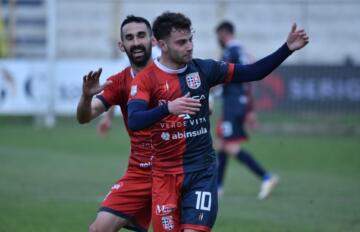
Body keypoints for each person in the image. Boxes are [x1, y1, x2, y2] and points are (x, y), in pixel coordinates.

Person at [127, 11, 308, 232]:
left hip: (202, 173)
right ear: (162, 45)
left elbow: (255, 72)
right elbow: (135, 120)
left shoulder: (205, 69)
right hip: (165, 177)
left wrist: (287, 48)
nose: (189, 46)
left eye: (190, 39)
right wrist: (168, 108)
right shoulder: (146, 79)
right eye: (181, 42)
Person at [77, 15, 155, 232]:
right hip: (139, 172)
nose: (136, 42)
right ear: (122, 45)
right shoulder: (120, 81)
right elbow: (85, 117)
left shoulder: (170, 72)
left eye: (141, 35)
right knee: (97, 230)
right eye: (129, 38)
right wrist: (85, 96)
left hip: (174, 170)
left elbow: (206, 106)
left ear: (153, 40)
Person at [214, 20, 278, 200]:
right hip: (237, 102)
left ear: (224, 33)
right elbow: (248, 80)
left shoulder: (230, 51)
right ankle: (217, 187)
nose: (217, 39)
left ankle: (266, 177)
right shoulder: (242, 50)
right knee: (220, 143)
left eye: (218, 36)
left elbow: (220, 75)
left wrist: (208, 87)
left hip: (233, 103)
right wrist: (250, 108)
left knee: (229, 145)